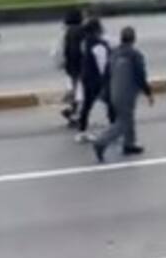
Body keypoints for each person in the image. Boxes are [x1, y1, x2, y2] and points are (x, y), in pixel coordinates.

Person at [93, 26, 154, 162]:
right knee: (123, 122)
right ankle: (101, 142)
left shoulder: (114, 53)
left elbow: (106, 75)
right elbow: (140, 76)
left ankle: (129, 144)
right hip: (127, 93)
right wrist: (148, 93)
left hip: (114, 91)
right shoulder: (134, 55)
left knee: (127, 117)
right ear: (134, 39)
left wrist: (105, 93)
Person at [76, 18, 113, 142]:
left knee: (86, 105)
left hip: (86, 78)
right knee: (110, 103)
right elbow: (102, 65)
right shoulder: (99, 45)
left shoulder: (86, 42)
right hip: (97, 80)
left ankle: (82, 131)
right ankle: (114, 127)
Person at [59, 9, 87, 124]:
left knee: (75, 88)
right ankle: (76, 112)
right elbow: (79, 49)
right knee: (80, 90)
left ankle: (73, 110)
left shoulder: (66, 31)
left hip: (70, 66)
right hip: (79, 65)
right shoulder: (80, 31)